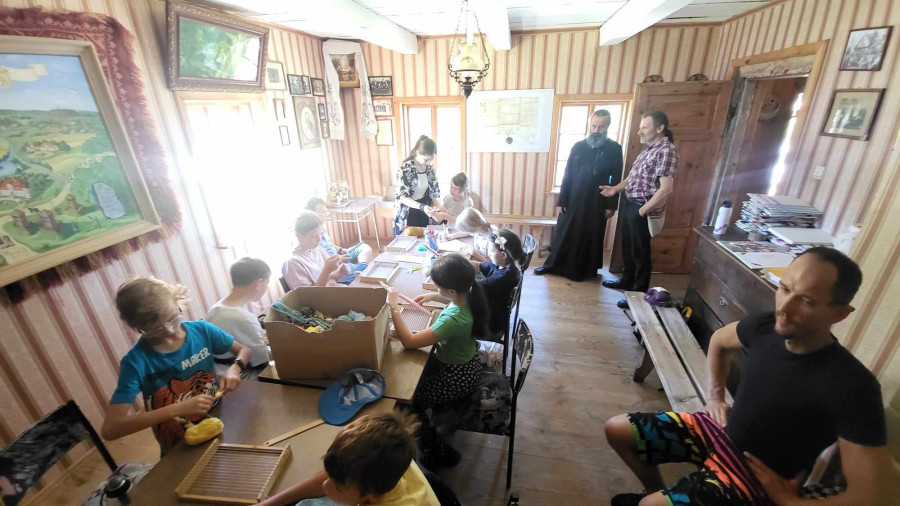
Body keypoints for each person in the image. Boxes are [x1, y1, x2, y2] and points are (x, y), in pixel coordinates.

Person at [604, 248, 891, 505]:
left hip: (752, 476)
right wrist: (715, 397)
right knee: (618, 429)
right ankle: (653, 490)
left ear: (839, 314)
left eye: (806, 301)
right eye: (785, 289)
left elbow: (870, 495)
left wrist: (791, 502)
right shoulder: (766, 326)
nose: (785, 308)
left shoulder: (852, 385)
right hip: (720, 431)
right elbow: (719, 341)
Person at [101, 276, 251, 455]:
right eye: (155, 328)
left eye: (173, 319)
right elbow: (111, 429)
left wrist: (235, 368)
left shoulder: (202, 330)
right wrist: (178, 408)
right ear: (137, 327)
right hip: (178, 443)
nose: (169, 331)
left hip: (217, 419)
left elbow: (244, 350)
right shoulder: (136, 362)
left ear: (178, 303)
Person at [388, 254, 489, 469]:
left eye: (438, 286)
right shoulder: (470, 295)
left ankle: (436, 450)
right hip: (464, 363)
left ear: (452, 291)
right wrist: (434, 296)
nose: (436, 287)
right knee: (412, 376)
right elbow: (453, 300)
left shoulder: (453, 320)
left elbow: (409, 342)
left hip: (456, 375)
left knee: (407, 404)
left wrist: (393, 306)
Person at [257, 412, 440, 506]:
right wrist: (271, 502)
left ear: (372, 497)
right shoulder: (390, 459)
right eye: (331, 477)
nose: (325, 485)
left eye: (338, 486)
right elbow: (340, 474)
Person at [600, 111, 677, 308]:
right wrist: (615, 189)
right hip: (630, 203)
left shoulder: (665, 150)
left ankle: (638, 293)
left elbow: (666, 188)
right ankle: (626, 281)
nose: (639, 132)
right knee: (628, 247)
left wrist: (642, 211)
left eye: (644, 127)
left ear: (659, 129)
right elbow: (631, 178)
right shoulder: (648, 149)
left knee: (640, 252)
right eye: (640, 127)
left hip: (642, 207)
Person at [534, 109, 623, 281]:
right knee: (564, 232)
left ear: (608, 126)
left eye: (601, 127)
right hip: (574, 197)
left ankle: (583, 271)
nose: (596, 130)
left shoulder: (614, 149)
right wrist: (562, 200)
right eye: (594, 126)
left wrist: (611, 205)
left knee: (590, 234)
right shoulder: (578, 146)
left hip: (598, 199)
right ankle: (552, 266)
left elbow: (616, 177)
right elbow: (567, 174)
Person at [206, 257, 271, 378]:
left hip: (217, 372)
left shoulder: (216, 308)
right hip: (238, 378)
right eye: (267, 283)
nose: (266, 288)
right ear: (259, 282)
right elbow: (262, 361)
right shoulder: (244, 318)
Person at [282, 212, 354, 289]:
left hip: (334, 290)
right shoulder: (293, 263)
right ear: (299, 236)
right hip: (324, 296)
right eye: (314, 236)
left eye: (320, 234)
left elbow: (330, 280)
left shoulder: (317, 248)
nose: (319, 239)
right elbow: (310, 295)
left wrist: (339, 273)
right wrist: (326, 271)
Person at [476, 229, 525, 339]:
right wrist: (458, 262)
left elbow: (465, 295)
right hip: (498, 318)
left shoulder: (498, 280)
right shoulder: (506, 266)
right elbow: (479, 265)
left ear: (503, 255)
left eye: (490, 250)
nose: (488, 253)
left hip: (489, 328)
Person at [393, 135, 446, 236]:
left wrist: (440, 207)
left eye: (431, 159)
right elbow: (403, 197)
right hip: (408, 210)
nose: (429, 162)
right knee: (409, 238)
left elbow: (433, 195)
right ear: (417, 153)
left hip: (424, 209)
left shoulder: (430, 170)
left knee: (425, 238)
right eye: (426, 159)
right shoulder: (405, 169)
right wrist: (422, 207)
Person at [305, 197, 374, 268]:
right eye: (323, 212)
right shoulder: (310, 237)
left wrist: (341, 250)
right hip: (334, 265)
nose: (326, 214)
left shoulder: (321, 227)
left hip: (339, 257)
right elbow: (321, 261)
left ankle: (361, 269)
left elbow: (328, 244)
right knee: (355, 267)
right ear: (312, 214)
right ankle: (361, 270)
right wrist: (339, 259)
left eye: (325, 211)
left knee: (365, 248)